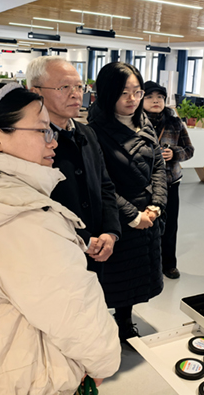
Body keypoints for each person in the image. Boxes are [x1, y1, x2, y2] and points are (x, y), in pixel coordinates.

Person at [0, 83, 121, 393]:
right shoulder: (24, 218)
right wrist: (103, 362)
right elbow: (73, 312)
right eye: (43, 131)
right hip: (23, 381)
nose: (53, 141)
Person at [87, 63, 167, 341]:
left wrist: (157, 205)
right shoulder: (94, 132)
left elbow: (158, 166)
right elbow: (101, 183)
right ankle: (99, 324)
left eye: (137, 92)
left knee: (136, 275)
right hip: (117, 216)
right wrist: (133, 216)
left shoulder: (144, 122)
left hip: (148, 212)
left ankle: (124, 319)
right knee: (113, 275)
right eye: (124, 93)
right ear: (108, 93)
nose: (132, 99)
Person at [27, 56, 120, 276]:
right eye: (64, 87)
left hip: (96, 248)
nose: (75, 94)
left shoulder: (87, 133)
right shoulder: (27, 140)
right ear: (35, 93)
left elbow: (104, 186)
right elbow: (33, 202)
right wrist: (83, 238)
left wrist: (110, 232)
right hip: (51, 252)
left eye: (79, 87)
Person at [143, 81, 194, 280]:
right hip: (144, 184)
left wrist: (174, 153)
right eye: (150, 97)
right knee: (145, 224)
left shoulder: (175, 123)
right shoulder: (135, 123)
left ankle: (169, 264)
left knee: (170, 225)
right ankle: (147, 265)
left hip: (170, 182)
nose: (155, 101)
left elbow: (189, 150)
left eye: (160, 97)